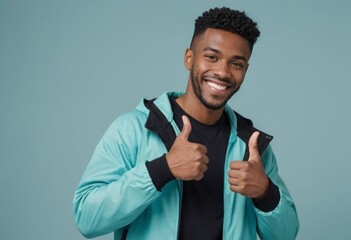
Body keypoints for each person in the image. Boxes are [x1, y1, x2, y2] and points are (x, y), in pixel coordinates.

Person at [73, 7, 299, 240]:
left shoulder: (251, 146)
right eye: (212, 57)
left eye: (237, 64)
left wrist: (265, 193)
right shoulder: (133, 129)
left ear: (245, 71)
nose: (222, 72)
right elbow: (87, 218)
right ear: (189, 59)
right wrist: (162, 169)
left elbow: (286, 235)